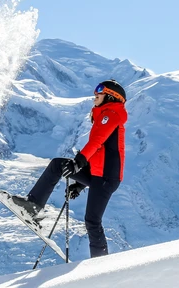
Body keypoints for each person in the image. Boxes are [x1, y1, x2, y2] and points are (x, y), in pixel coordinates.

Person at [12, 79, 128, 258]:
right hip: (98, 174)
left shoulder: (111, 114)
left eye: (99, 92)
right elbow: (100, 153)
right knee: (58, 165)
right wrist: (79, 184)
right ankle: (32, 206)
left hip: (106, 177)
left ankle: (102, 266)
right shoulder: (103, 115)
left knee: (92, 221)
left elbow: (96, 142)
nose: (95, 95)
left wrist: (78, 162)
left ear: (111, 96)